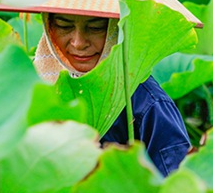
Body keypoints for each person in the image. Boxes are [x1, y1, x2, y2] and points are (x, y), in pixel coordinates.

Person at [34, 12, 191, 177]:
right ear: (49, 27)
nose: (78, 43)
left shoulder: (148, 102)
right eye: (64, 26)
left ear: (117, 30)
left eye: (96, 28)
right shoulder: (31, 87)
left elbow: (177, 188)